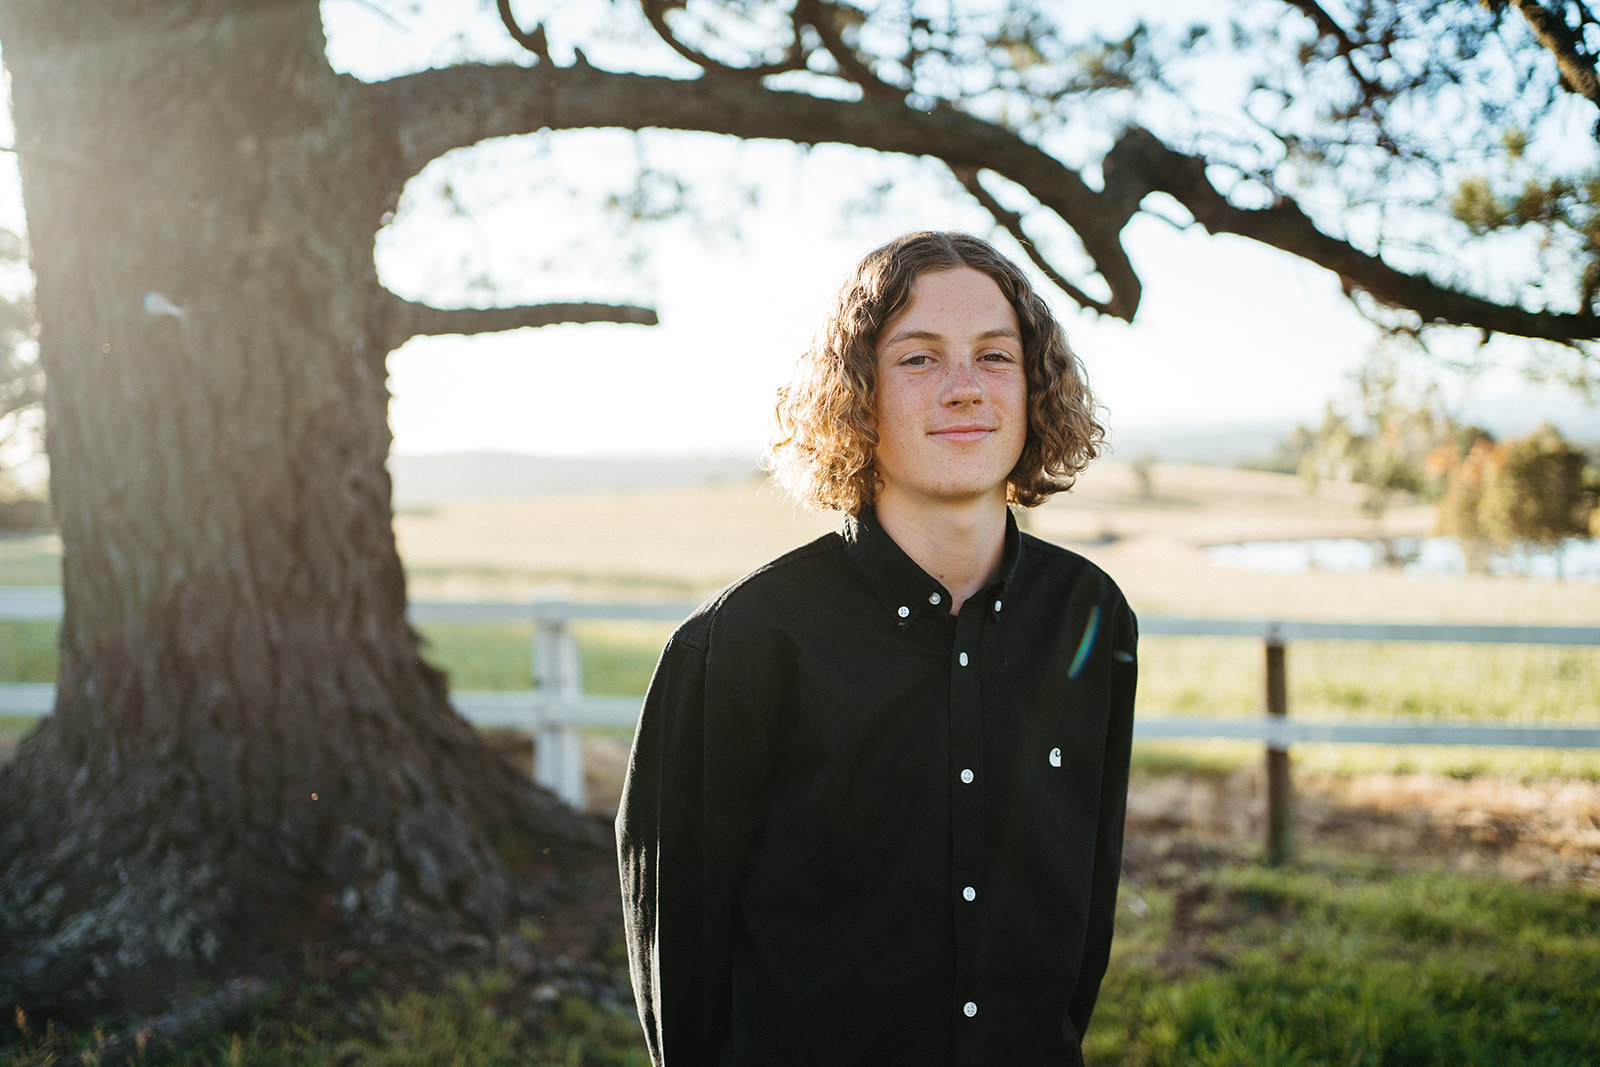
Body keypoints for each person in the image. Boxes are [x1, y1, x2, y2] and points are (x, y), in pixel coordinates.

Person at [616, 230, 1138, 1066]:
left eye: (995, 356)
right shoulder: (739, 645)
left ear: (1035, 387)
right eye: (919, 359)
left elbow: (1085, 906)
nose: (965, 388)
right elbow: (682, 957)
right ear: (859, 395)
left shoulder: (1090, 616)